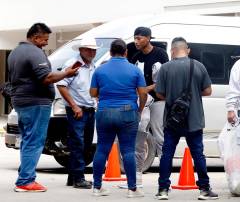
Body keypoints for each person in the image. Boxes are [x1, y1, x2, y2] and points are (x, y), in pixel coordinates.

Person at [8, 23, 79, 192]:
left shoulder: (15, 52)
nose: (46, 43)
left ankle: (25, 173)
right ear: (35, 37)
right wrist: (66, 73)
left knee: (27, 139)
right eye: (44, 39)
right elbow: (46, 78)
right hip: (36, 103)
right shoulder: (34, 52)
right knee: (34, 141)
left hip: (21, 101)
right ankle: (25, 181)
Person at [155, 37, 218, 200]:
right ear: (187, 49)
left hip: (172, 119)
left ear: (172, 51)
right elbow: (208, 91)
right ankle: (204, 189)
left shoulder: (165, 68)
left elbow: (159, 93)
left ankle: (163, 189)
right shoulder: (199, 66)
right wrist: (193, 94)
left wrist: (172, 96)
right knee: (198, 154)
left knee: (167, 153)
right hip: (194, 119)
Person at [89, 39, 147, 198]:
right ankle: (132, 189)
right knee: (128, 150)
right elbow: (143, 93)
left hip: (105, 111)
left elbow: (93, 93)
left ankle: (97, 187)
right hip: (128, 112)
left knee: (102, 149)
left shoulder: (100, 70)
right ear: (126, 52)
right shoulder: (134, 70)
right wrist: (139, 110)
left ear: (110, 52)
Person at [127, 27, 169, 188]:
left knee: (160, 137)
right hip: (141, 100)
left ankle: (165, 180)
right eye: (135, 38)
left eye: (139, 38)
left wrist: (148, 88)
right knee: (139, 136)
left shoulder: (160, 54)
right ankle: (136, 178)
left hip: (158, 100)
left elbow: (165, 78)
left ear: (148, 38)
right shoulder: (136, 57)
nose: (136, 41)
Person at [56, 37, 99, 189]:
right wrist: (74, 106)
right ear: (81, 50)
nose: (92, 52)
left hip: (88, 109)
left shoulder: (92, 65)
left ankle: (73, 177)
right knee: (78, 143)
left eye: (93, 49)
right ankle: (78, 178)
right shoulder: (74, 64)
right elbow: (61, 86)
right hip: (78, 110)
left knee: (85, 144)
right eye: (88, 49)